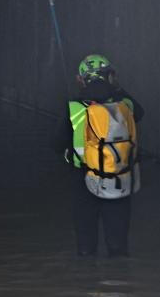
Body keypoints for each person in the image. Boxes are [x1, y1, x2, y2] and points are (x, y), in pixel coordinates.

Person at [55, 54, 144, 257]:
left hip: (83, 180)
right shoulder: (126, 104)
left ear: (81, 79)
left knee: (86, 247)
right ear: (110, 76)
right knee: (118, 246)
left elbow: (56, 144)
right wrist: (117, 87)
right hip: (120, 178)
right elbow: (141, 113)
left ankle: (88, 281)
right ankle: (120, 282)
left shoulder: (74, 108)